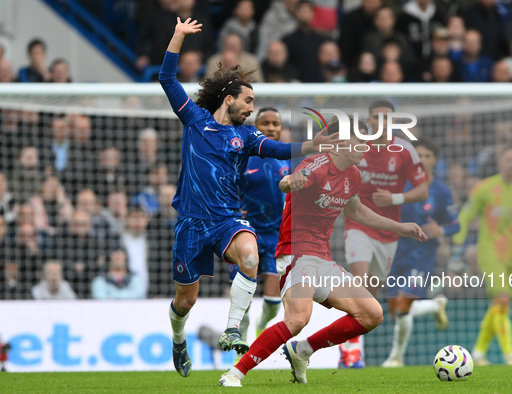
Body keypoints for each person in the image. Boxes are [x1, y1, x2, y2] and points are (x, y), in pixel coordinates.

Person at [158, 17, 339, 378]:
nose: (252, 107)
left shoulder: (247, 136)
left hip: (227, 219)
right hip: (191, 223)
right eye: (249, 100)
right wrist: (178, 37)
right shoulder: (194, 120)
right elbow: (167, 79)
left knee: (251, 257)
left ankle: (232, 328)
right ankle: (178, 340)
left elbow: (277, 148)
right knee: (185, 300)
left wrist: (312, 145)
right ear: (229, 99)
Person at [218, 117, 427, 387]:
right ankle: (235, 373)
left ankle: (302, 350)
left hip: (322, 258)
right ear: (339, 142)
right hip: (296, 254)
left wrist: (402, 228)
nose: (366, 147)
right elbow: (294, 180)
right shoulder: (316, 165)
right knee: (297, 319)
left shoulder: (353, 175)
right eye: (360, 141)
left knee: (372, 314)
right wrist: (290, 182)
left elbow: (356, 211)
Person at [340, 99, 428, 368]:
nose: (382, 122)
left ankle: (349, 340)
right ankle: (351, 349)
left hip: (388, 233)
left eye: (387, 118)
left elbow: (422, 190)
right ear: (370, 121)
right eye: (376, 117)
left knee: (371, 294)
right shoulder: (359, 146)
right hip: (358, 224)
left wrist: (396, 198)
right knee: (360, 277)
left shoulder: (404, 150)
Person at [450, 147, 512, 366]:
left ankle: (478, 352)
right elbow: (466, 215)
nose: (511, 164)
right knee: (502, 298)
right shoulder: (484, 188)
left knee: (501, 304)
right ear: (500, 162)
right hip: (489, 252)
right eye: (508, 160)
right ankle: (510, 354)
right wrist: (457, 244)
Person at [382, 138, 459, 367]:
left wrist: (441, 229)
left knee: (405, 303)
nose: (423, 160)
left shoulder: (441, 191)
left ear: (435, 160)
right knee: (396, 310)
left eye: (427, 156)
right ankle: (435, 305)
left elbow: (456, 225)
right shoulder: (398, 185)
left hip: (422, 255)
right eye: (419, 155)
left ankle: (396, 357)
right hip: (396, 253)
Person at [228, 107, 289, 344]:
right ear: (256, 126)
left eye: (276, 123)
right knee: (242, 300)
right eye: (266, 123)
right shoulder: (242, 156)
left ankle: (261, 325)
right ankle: (239, 344)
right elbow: (228, 187)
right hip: (246, 234)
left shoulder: (287, 157)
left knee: (274, 303)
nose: (271, 127)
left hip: (277, 235)